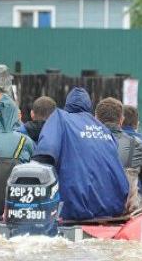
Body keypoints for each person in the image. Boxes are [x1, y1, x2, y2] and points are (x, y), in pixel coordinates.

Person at [31, 87, 129, 221]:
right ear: (90, 108)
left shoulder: (60, 117)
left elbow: (42, 157)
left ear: (67, 106)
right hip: (114, 209)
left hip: (75, 210)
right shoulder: (103, 129)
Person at [95, 98, 142, 212]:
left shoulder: (85, 142)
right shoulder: (135, 143)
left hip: (90, 206)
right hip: (124, 209)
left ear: (95, 119)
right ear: (121, 120)